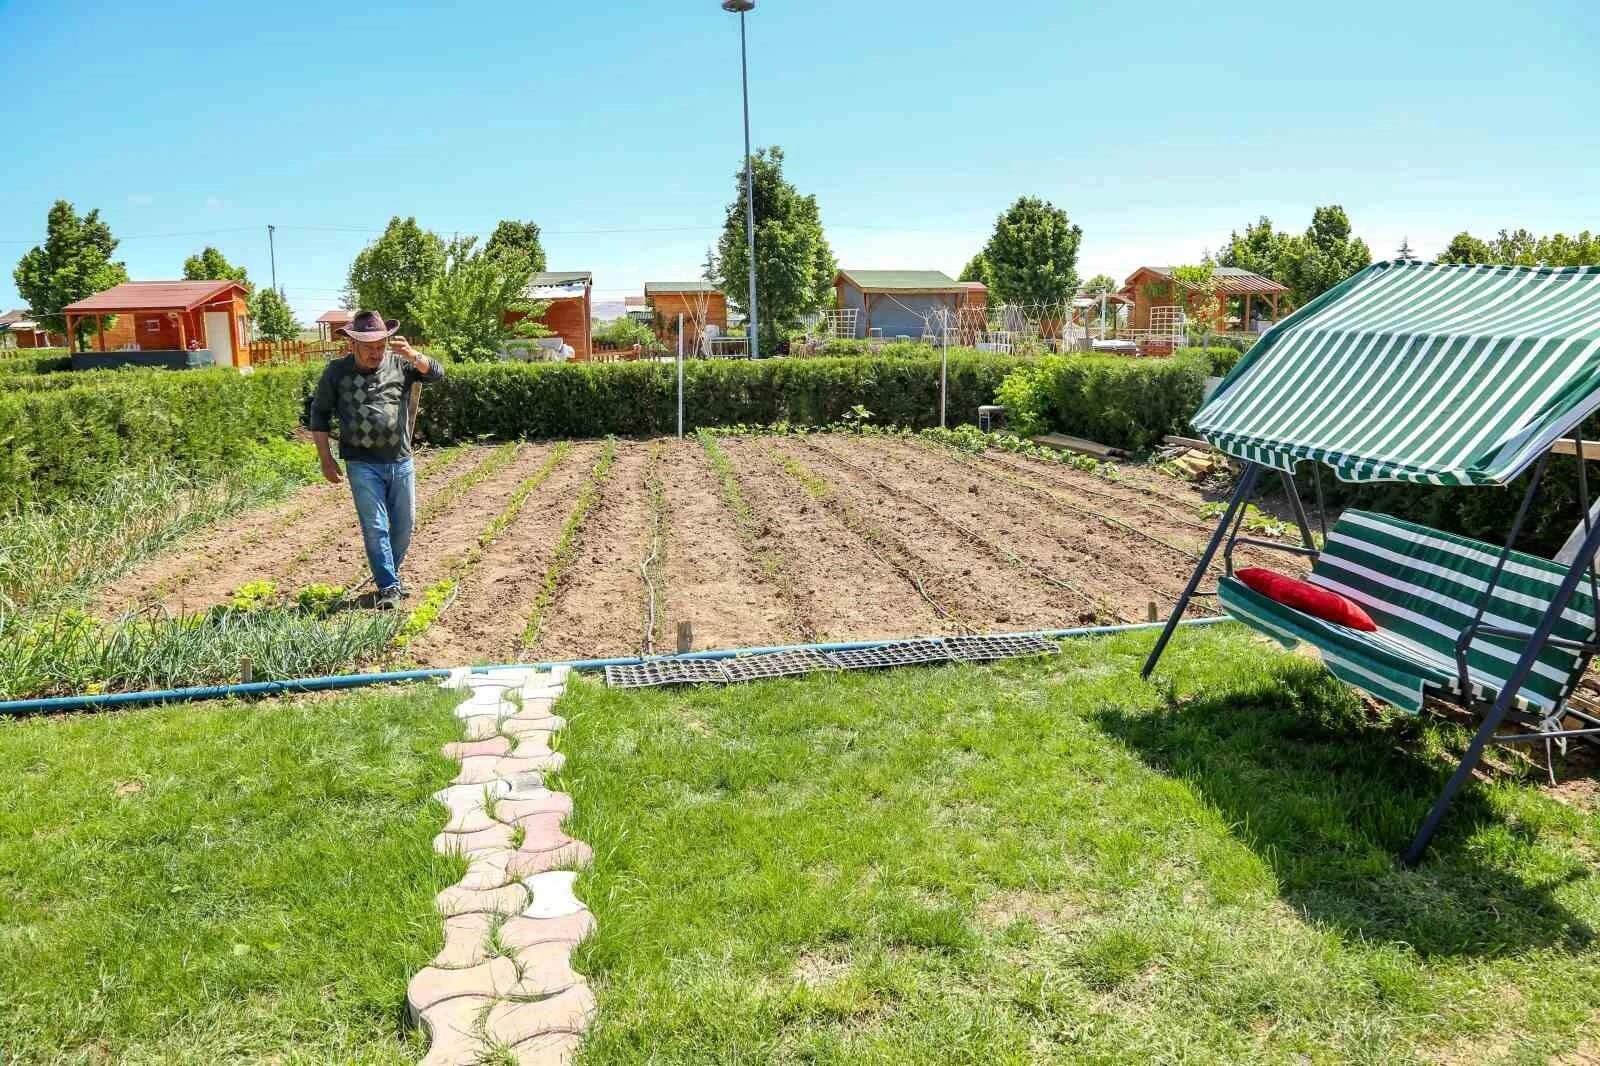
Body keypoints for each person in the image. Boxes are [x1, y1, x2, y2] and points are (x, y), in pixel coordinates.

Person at [308, 310, 444, 610]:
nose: (376, 352)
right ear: (352, 344)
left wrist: (413, 354)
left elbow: (437, 374)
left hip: (400, 458)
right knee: (375, 525)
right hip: (361, 462)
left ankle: (389, 578)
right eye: (369, 346)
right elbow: (318, 414)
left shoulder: (401, 364)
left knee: (405, 524)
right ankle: (389, 586)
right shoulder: (337, 372)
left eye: (381, 345)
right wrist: (325, 458)